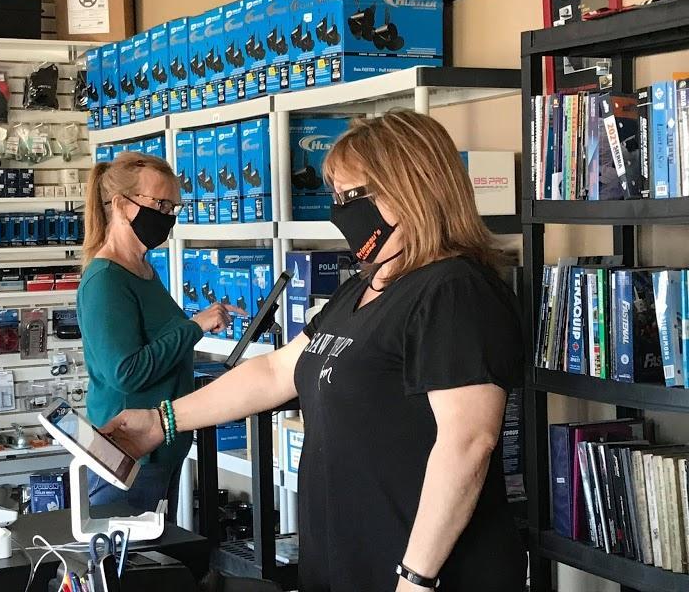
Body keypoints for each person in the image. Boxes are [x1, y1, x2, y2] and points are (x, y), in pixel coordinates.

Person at [100, 112, 527, 591]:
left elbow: (467, 444)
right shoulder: (364, 288)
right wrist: (162, 421)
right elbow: (275, 372)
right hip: (346, 563)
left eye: (351, 196)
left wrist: (416, 577)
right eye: (335, 197)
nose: (339, 211)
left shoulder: (454, 291)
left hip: (425, 573)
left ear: (412, 188)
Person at [78, 152, 238, 519]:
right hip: (128, 454)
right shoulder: (105, 280)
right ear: (122, 205)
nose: (167, 216)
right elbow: (126, 372)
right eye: (160, 205)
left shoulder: (144, 270)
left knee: (161, 549)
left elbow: (161, 344)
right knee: (129, 552)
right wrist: (194, 326)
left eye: (173, 207)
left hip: (160, 450)